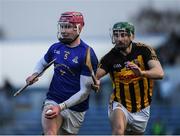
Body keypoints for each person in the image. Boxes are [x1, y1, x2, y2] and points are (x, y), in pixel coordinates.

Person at [26, 11, 98, 135]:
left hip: (75, 108)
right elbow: (42, 62)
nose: (64, 31)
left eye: (68, 27)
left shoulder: (87, 54)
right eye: (62, 26)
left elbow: (84, 93)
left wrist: (61, 107)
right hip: (53, 100)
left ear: (79, 28)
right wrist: (34, 74)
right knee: (50, 133)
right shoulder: (55, 48)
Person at [93, 22, 164, 135]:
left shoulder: (144, 50)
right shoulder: (109, 58)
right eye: (116, 35)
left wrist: (141, 73)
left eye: (123, 35)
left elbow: (159, 73)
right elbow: (96, 76)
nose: (119, 39)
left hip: (142, 107)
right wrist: (95, 82)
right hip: (120, 103)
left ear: (132, 36)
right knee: (119, 131)